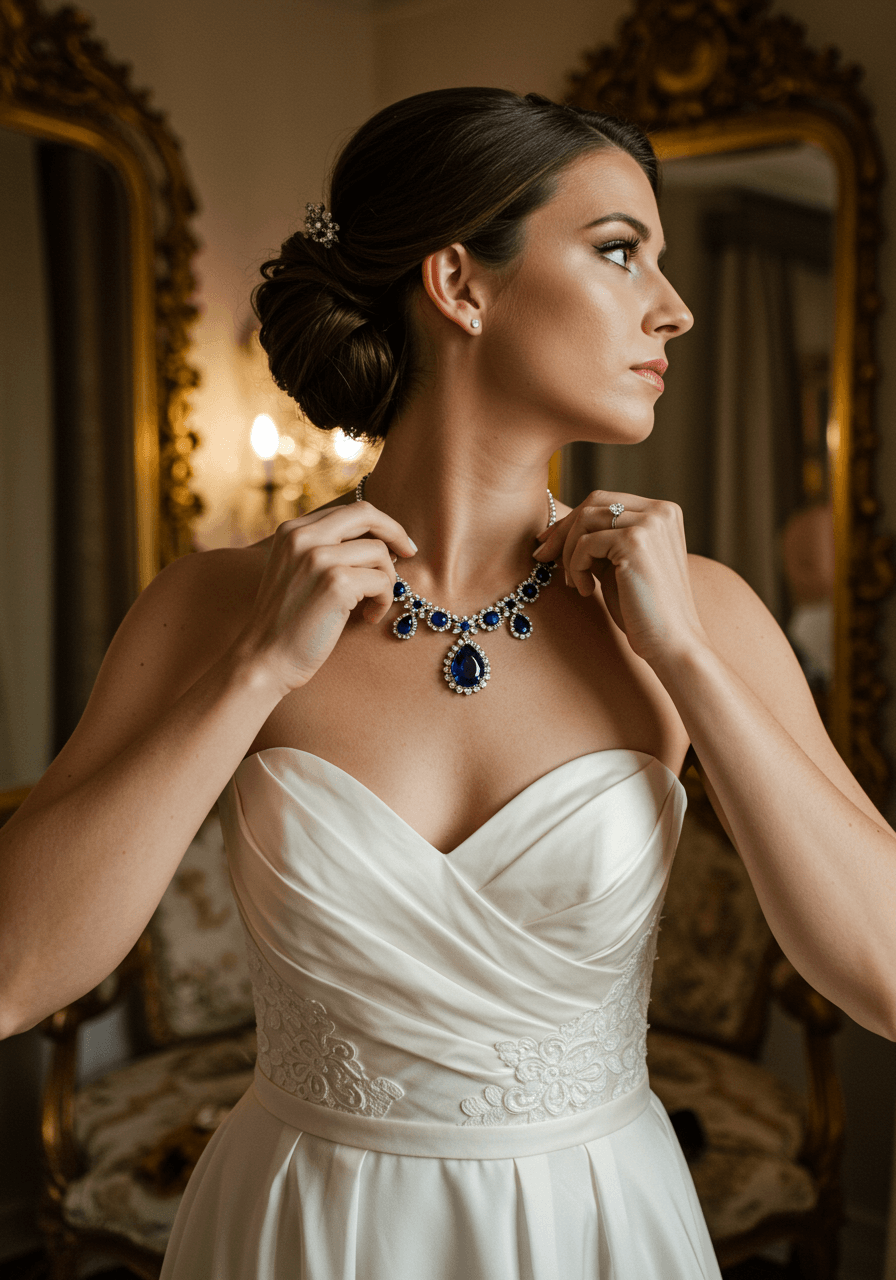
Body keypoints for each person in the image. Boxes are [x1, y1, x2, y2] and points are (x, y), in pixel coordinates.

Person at [1, 87, 894, 1280]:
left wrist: (685, 657)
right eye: (619, 250)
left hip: (592, 1229)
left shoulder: (698, 611)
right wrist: (255, 670)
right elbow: (15, 973)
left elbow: (884, 975)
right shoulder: (218, 606)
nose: (672, 307)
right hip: (297, 1231)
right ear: (459, 284)